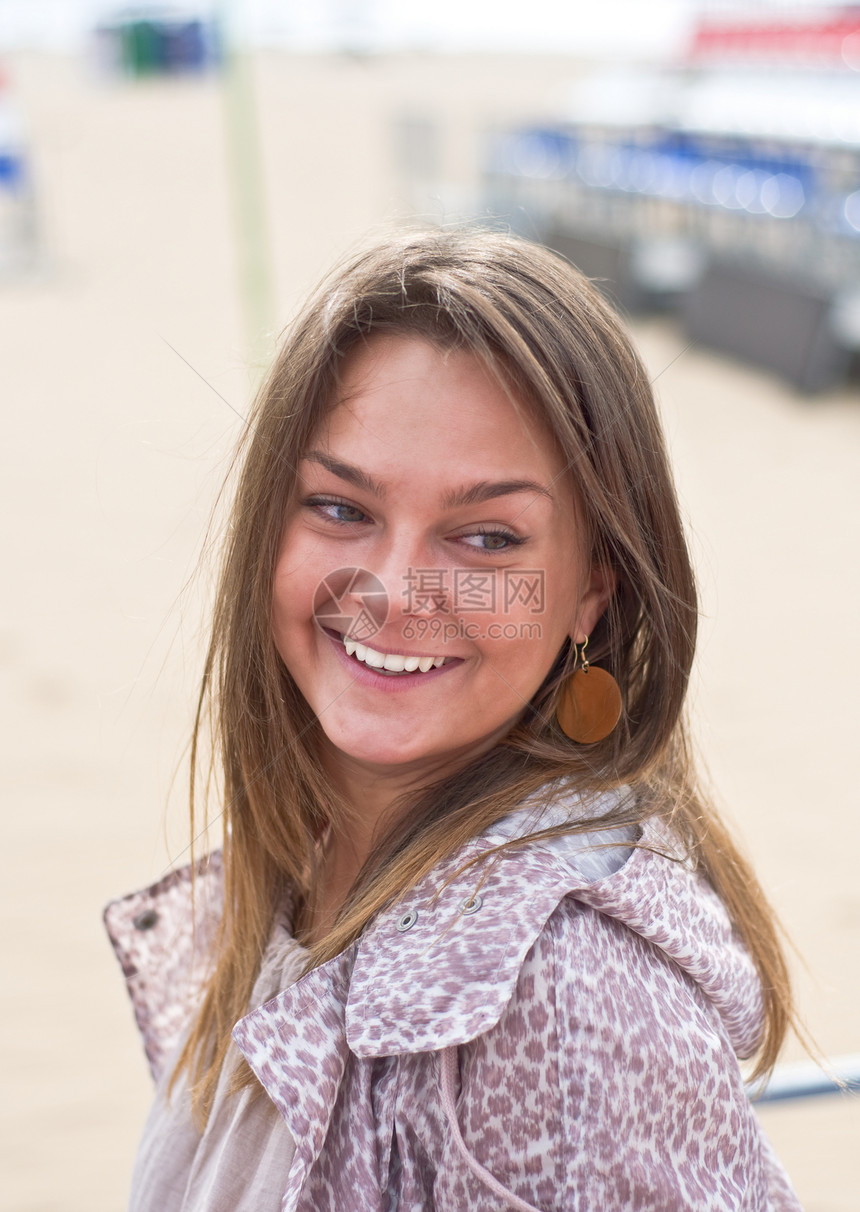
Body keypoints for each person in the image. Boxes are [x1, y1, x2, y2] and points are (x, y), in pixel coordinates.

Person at [106, 227, 803, 1211]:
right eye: (341, 510)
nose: (392, 590)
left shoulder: (566, 1002)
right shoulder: (295, 878)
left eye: (484, 537)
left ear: (587, 596)